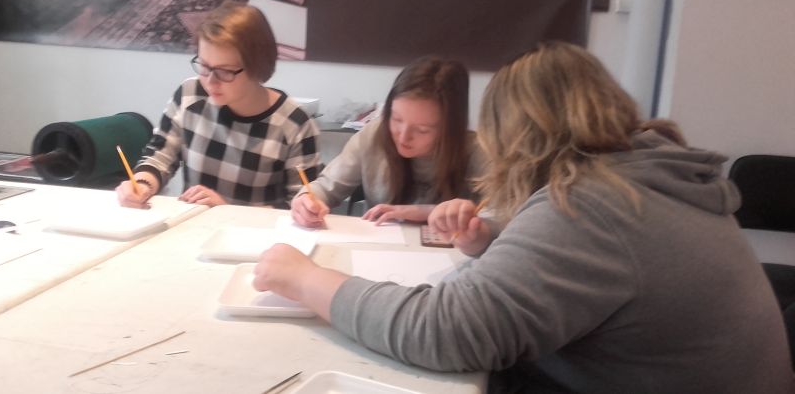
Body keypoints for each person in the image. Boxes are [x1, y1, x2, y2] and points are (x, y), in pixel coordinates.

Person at [251, 42, 794, 393]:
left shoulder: (594, 204)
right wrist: (491, 237)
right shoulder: (645, 175)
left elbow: (443, 331)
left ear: (521, 133)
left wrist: (306, 279)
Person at [116, 0, 320, 209]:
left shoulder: (294, 124)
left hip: (254, 230)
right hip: (192, 223)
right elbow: (160, 155)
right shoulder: (190, 94)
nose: (210, 82)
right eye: (205, 66)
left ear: (257, 66)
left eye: (225, 71)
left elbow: (300, 209)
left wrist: (228, 210)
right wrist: (142, 184)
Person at [290, 56, 484, 227]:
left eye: (422, 130)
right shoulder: (374, 134)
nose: (403, 136)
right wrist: (307, 200)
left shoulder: (475, 150)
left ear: (450, 128)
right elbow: (327, 186)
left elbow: (497, 216)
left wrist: (426, 212)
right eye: (396, 119)